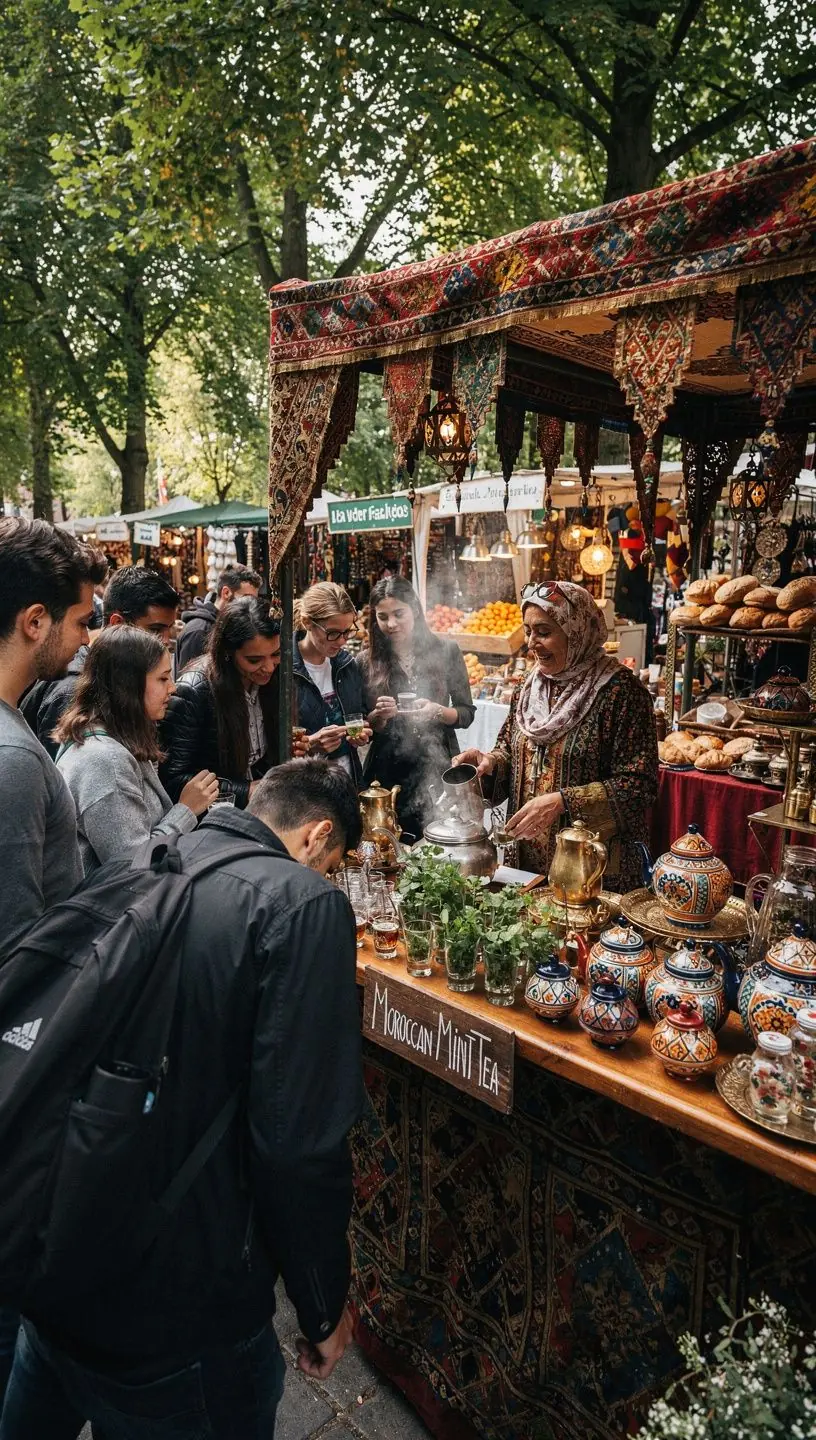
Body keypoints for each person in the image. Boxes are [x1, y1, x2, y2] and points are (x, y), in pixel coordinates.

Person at [0, 760, 364, 1440]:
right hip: (180, 1311)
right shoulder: (302, 902)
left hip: (64, 1255)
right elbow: (298, 1143)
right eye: (333, 863)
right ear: (317, 838)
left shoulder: (150, 855)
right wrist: (321, 1306)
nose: (327, 877)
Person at [0, 516, 106, 1408]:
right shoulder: (13, 761)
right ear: (35, 621)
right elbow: (17, 965)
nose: (86, 641)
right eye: (79, 621)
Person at [457, 580, 658, 891]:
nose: (531, 642)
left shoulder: (620, 692)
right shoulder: (527, 687)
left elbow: (640, 785)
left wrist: (564, 802)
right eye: (528, 631)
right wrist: (489, 763)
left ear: (576, 631)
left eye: (544, 632)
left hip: (592, 871)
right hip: (526, 868)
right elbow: (510, 750)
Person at [54, 627, 219, 873]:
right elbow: (133, 865)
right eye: (163, 679)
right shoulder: (104, 760)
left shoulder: (117, 739)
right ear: (128, 685)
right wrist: (186, 810)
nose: (172, 688)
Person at [357, 576, 475, 839]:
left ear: (416, 609)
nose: (391, 624)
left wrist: (436, 710)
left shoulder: (446, 651)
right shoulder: (366, 661)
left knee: (442, 844)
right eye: (383, 616)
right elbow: (363, 727)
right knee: (389, 846)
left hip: (438, 764)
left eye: (399, 614)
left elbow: (466, 713)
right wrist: (378, 717)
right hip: (387, 771)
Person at [21, 566, 180, 758]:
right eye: (155, 629)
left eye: (169, 629)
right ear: (117, 624)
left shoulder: (109, 680)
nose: (164, 640)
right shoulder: (76, 689)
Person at [161, 597, 280, 808]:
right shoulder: (193, 691)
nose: (269, 667)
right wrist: (246, 790)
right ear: (228, 653)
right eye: (254, 660)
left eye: (276, 655)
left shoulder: (275, 680)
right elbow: (174, 778)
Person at [294, 581, 371, 783]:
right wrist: (310, 743)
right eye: (333, 633)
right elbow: (268, 743)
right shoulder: (284, 671)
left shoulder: (347, 665)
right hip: (303, 788)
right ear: (307, 622)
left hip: (347, 780)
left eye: (347, 632)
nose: (341, 641)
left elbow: (358, 715)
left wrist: (361, 733)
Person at [175, 565, 261, 671]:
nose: (250, 605)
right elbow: (187, 682)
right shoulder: (199, 631)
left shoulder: (227, 625)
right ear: (226, 593)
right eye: (247, 598)